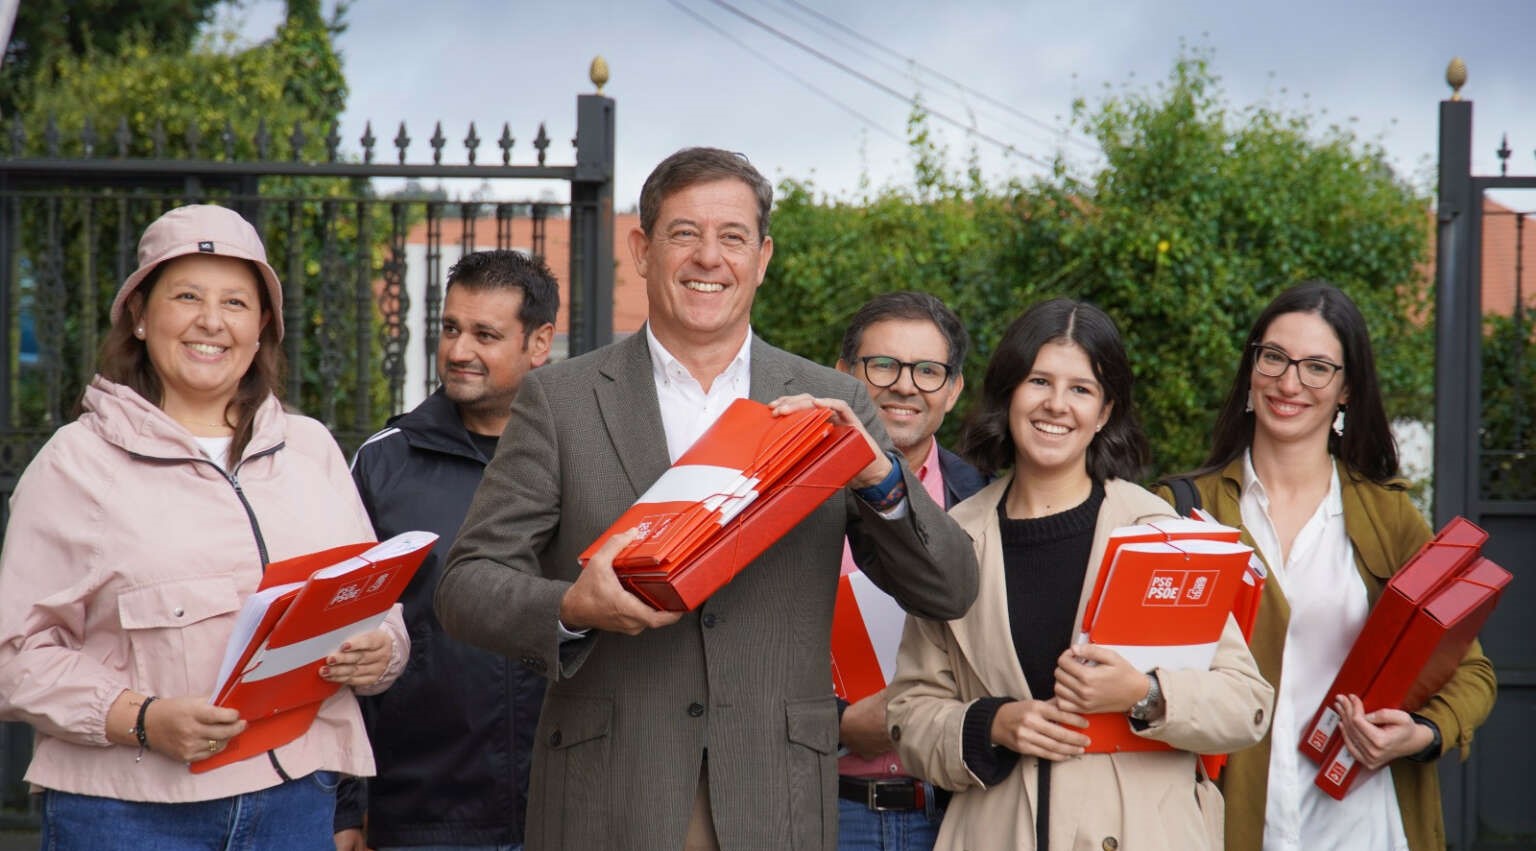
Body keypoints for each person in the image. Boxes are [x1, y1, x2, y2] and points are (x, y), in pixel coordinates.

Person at [434, 147, 978, 850]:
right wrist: (571, 607)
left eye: (733, 237)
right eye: (685, 233)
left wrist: (881, 480)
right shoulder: (561, 399)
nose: (709, 258)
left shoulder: (832, 402)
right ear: (642, 248)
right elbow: (467, 584)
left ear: (763, 257)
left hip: (776, 799)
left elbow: (949, 587)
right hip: (609, 794)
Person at [0, 204, 407, 850]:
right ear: (140, 315)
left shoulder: (310, 448)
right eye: (187, 295)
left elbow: (372, 601)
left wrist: (381, 648)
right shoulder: (74, 464)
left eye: (236, 302)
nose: (212, 321)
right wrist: (142, 719)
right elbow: (14, 654)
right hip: (126, 815)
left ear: (262, 325)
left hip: (296, 803)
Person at [887, 298, 1273, 851]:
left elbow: (1245, 703)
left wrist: (1144, 692)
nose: (1056, 405)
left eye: (1081, 389)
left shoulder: (1158, 533)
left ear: (1105, 411)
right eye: (1039, 381)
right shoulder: (954, 539)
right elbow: (910, 714)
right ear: (1010, 391)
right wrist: (992, 724)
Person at [1154, 281, 1497, 851]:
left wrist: (1421, 732)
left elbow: (1471, 669)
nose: (1289, 383)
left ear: (1346, 389)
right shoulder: (1182, 511)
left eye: (1317, 367)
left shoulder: (1388, 516)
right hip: (1227, 824)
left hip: (1363, 824)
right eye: (1274, 358)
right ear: (1251, 368)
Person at [334, 250, 558, 851]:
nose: (459, 350)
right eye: (451, 328)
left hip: (570, 809)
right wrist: (346, 805)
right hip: (422, 813)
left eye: (485, 334)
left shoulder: (582, 460)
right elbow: (338, 635)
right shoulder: (383, 462)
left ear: (539, 343)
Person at [831, 292, 987, 850]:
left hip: (959, 808)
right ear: (842, 373)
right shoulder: (790, 495)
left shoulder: (989, 495)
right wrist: (839, 724)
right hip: (828, 808)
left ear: (953, 389)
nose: (904, 386)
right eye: (883, 365)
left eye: (927, 371)